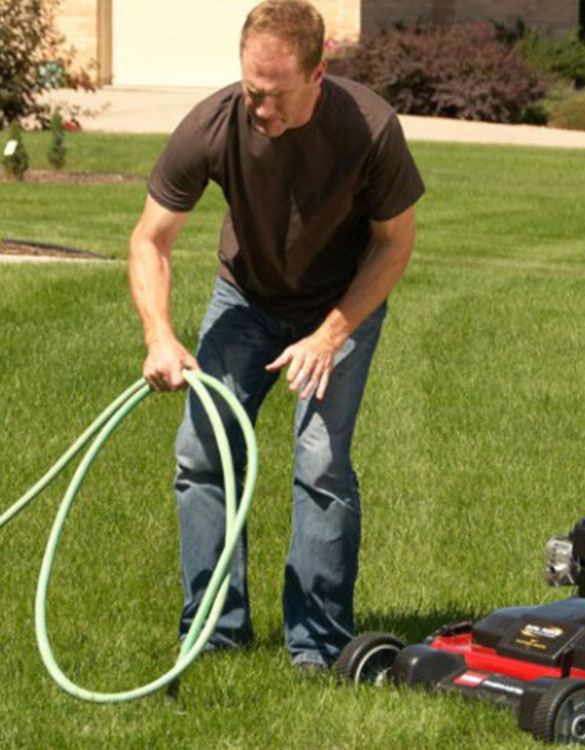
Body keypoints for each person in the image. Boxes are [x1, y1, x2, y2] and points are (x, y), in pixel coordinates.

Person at [128, 0, 424, 672]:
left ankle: (318, 645)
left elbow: (394, 244)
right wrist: (159, 335)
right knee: (202, 453)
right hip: (247, 299)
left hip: (339, 304)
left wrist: (330, 334)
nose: (262, 111)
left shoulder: (371, 128)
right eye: (251, 91)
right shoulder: (212, 124)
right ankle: (214, 631)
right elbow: (151, 240)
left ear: (319, 73)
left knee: (320, 461)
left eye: (277, 96)